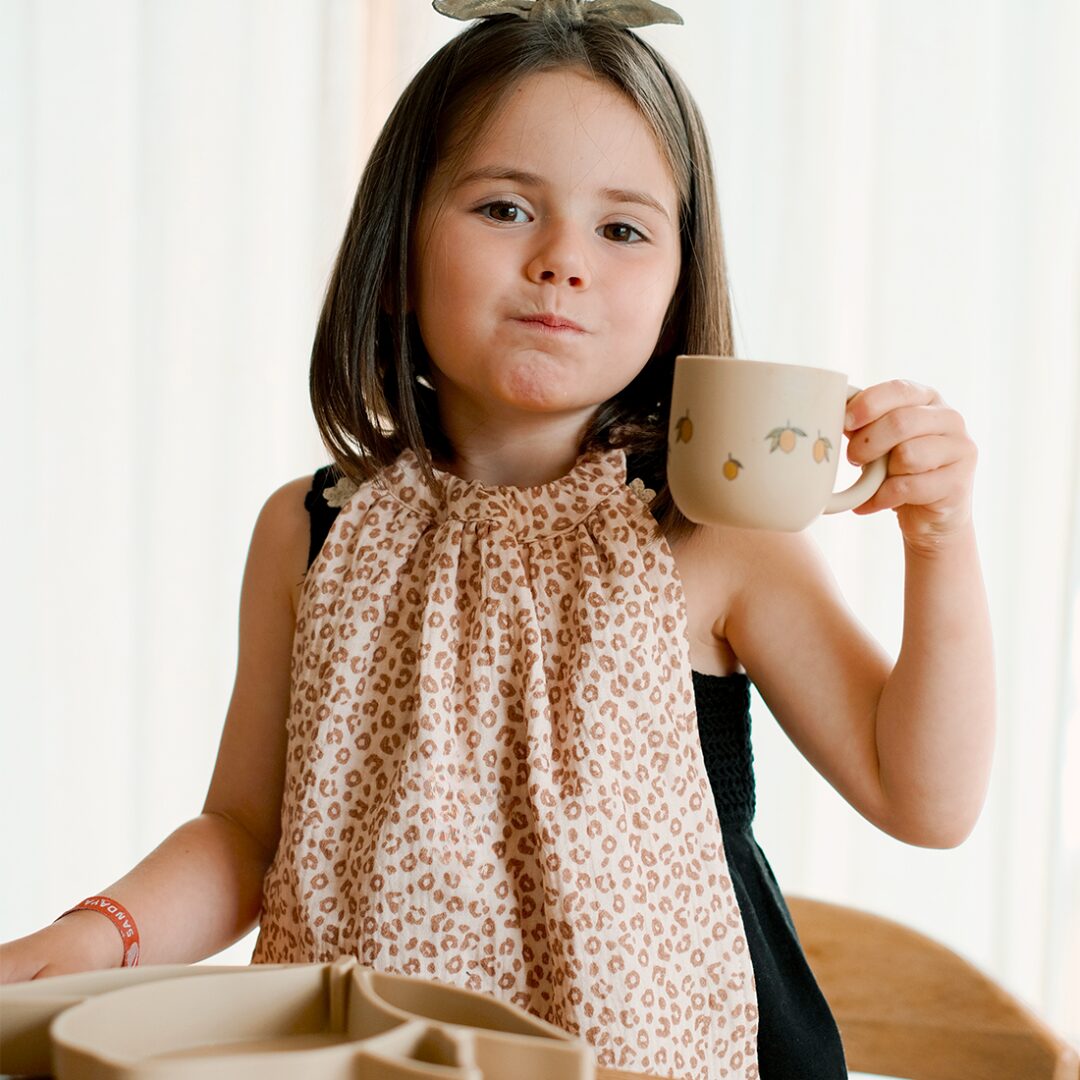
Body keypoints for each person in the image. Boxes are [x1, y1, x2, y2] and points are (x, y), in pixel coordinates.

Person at [0, 2, 995, 1077]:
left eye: (623, 228)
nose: (563, 259)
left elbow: (924, 798)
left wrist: (940, 536)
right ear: (399, 242)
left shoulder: (709, 535)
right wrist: (100, 933)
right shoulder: (311, 533)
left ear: (677, 282)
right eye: (506, 207)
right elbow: (245, 832)